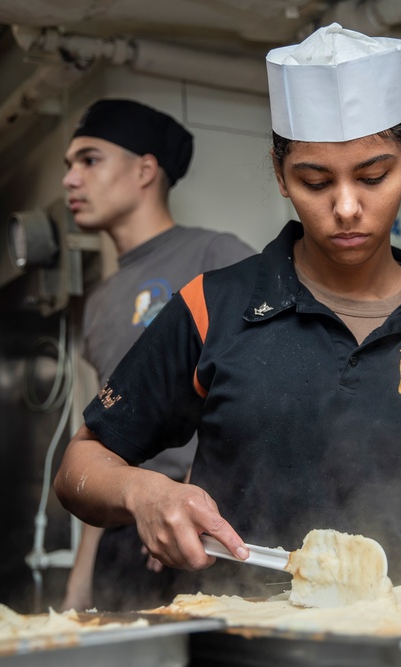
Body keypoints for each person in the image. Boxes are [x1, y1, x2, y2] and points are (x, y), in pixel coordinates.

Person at [54, 24, 401, 596]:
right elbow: (79, 466)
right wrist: (143, 493)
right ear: (281, 175)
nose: (346, 207)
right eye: (315, 180)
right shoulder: (214, 307)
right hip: (239, 633)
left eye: (373, 175)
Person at [59, 99, 255, 612]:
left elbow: (263, 392)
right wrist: (82, 581)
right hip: (125, 533)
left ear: (145, 169)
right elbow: (104, 440)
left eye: (89, 159)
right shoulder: (100, 302)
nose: (70, 180)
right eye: (69, 165)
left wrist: (187, 496)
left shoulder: (217, 257)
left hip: (205, 528)